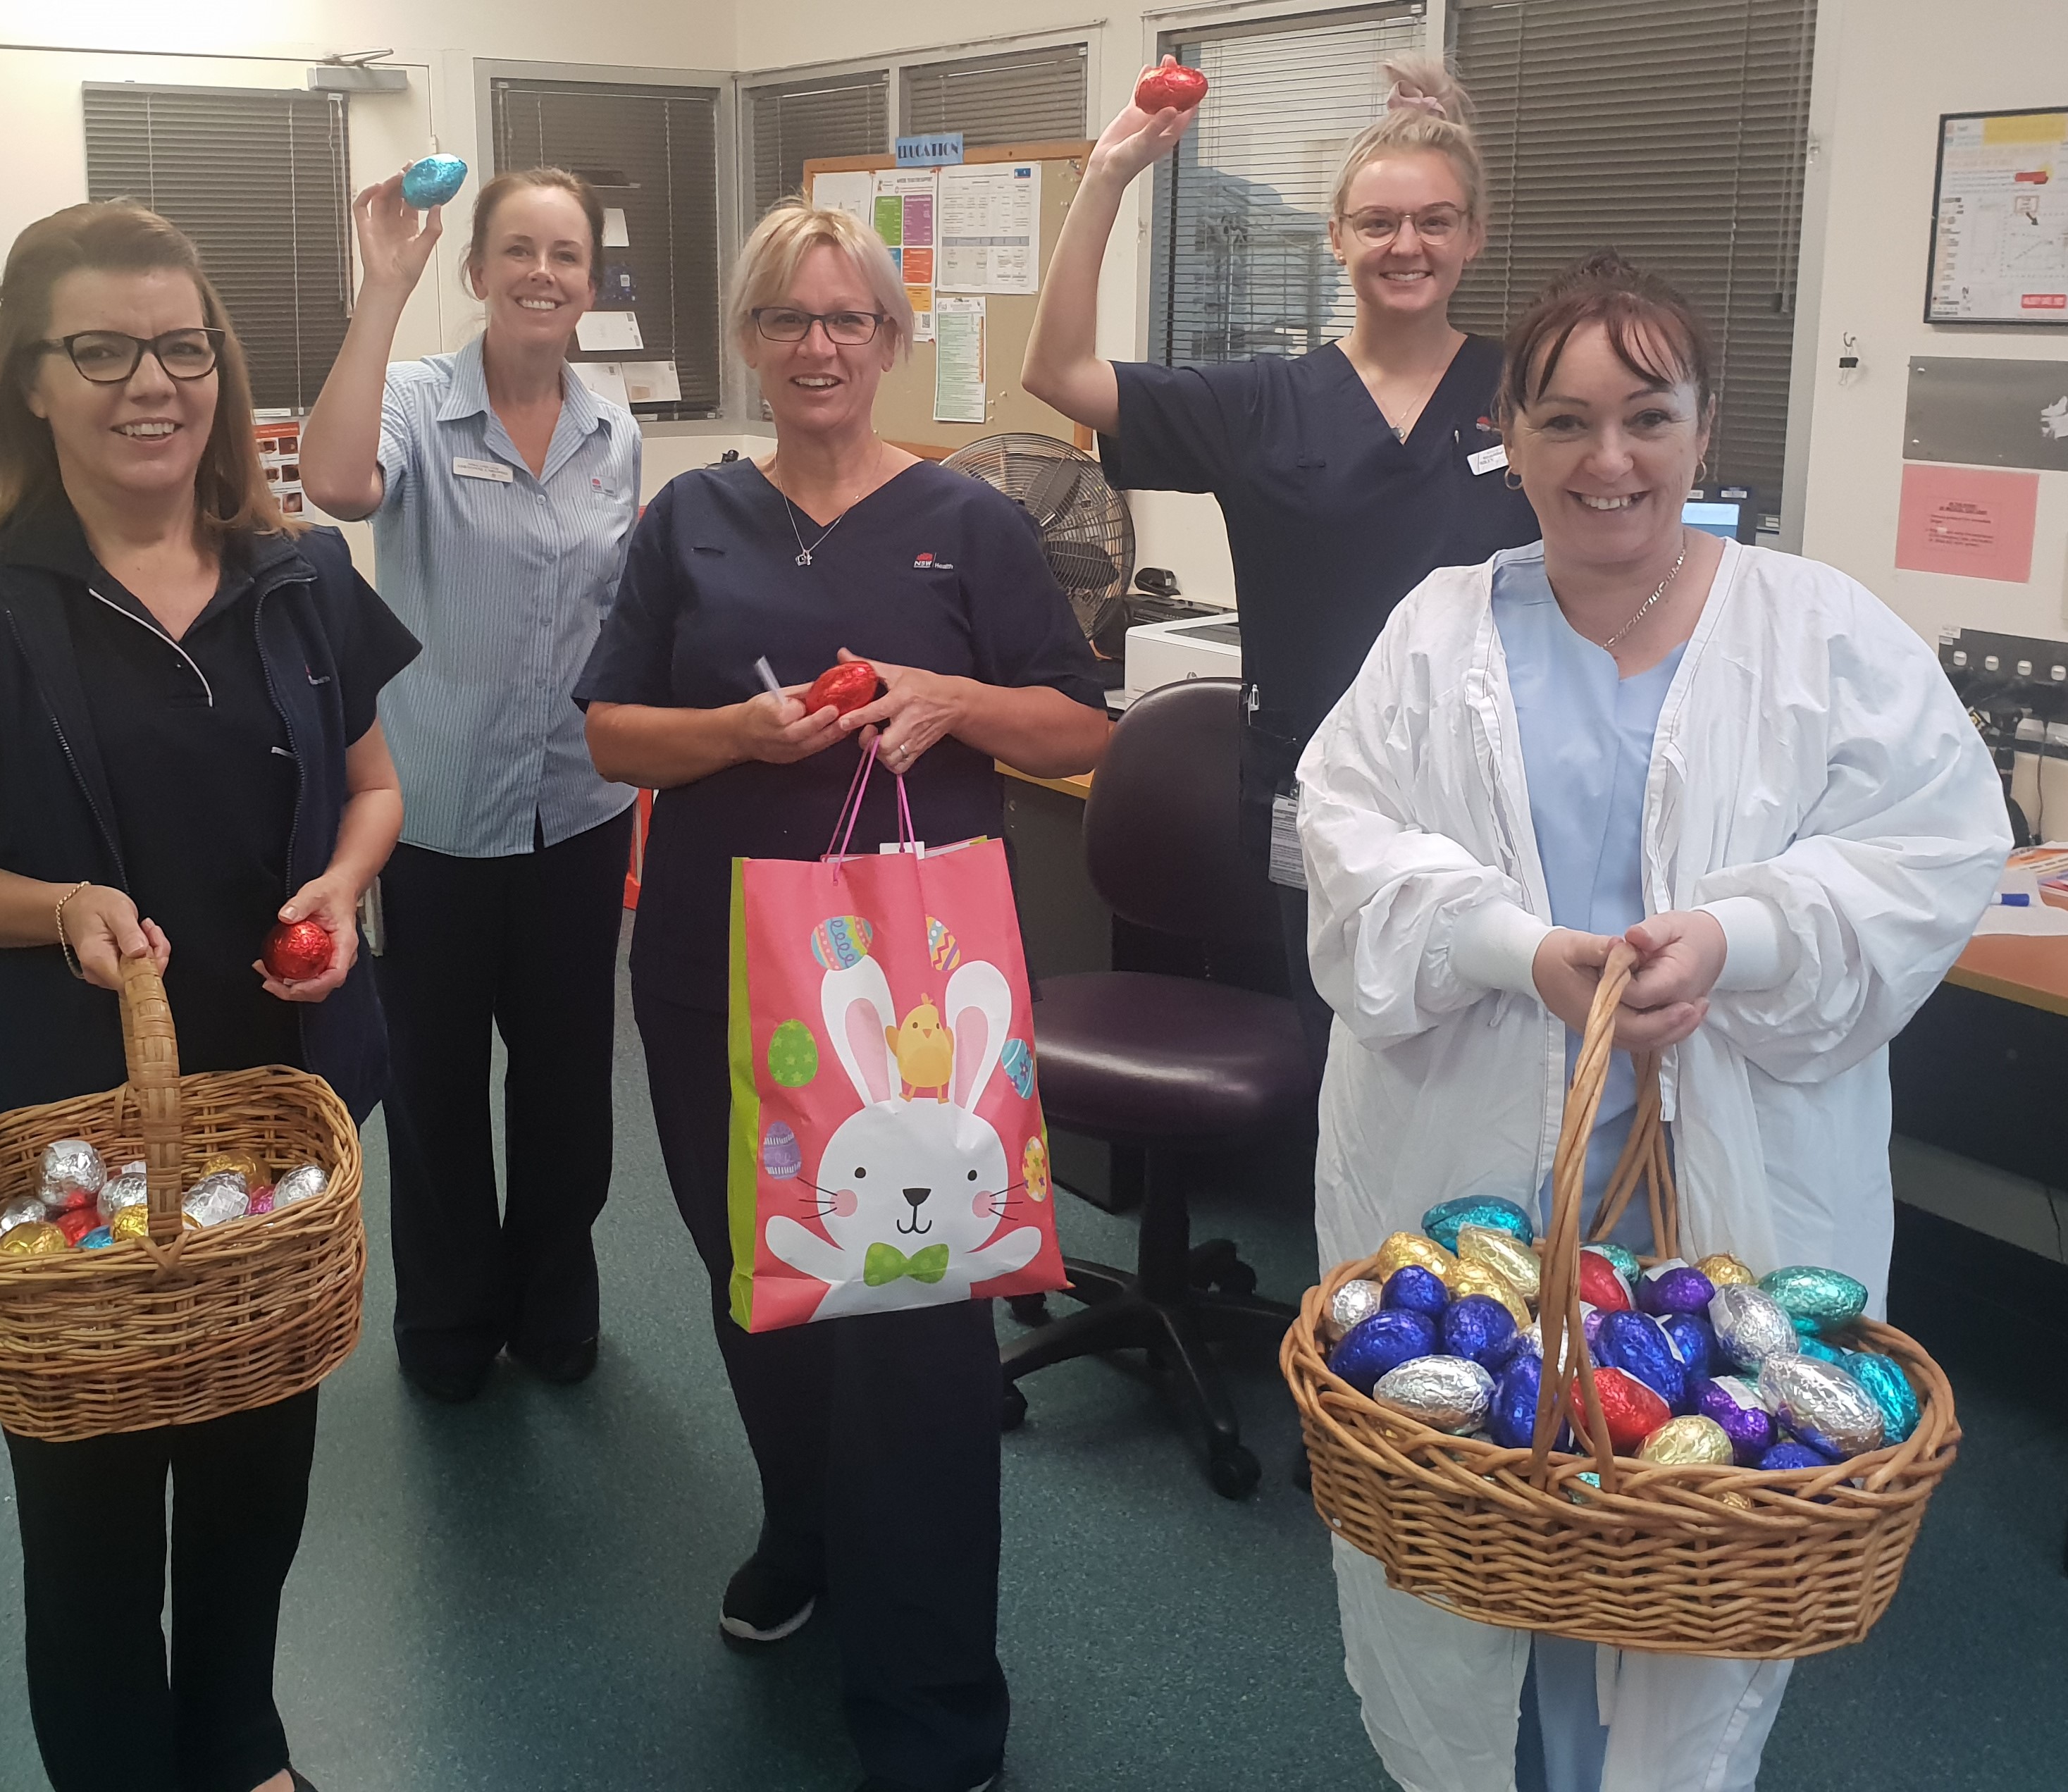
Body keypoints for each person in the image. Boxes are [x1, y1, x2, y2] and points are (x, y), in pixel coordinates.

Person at [1294, 252, 2010, 1792]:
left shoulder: (1820, 634)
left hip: (1734, 1184)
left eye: (1646, 417)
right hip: (1479, 1181)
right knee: (1482, 1538)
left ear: (1704, 428)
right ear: (1509, 434)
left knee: (1690, 1548)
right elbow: (1343, 842)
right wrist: (1515, 947)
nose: (1606, 461)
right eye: (1562, 421)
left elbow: (1940, 841)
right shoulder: (1435, 634)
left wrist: (1740, 936)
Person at [0, 202, 419, 1792]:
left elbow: (378, 790)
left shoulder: (298, 578)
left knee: (258, 1462)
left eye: (182, 347)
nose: (150, 383)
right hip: (64, 1128)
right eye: (99, 350)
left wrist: (346, 882)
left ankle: (243, 1747)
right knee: (92, 1506)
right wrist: (62, 908)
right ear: (32, 381)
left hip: (267, 1103)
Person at [575, 199, 1109, 1792]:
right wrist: (736, 739)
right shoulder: (690, 520)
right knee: (759, 1270)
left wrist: (950, 698)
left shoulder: (968, 520)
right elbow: (609, 732)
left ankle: (935, 1696)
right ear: (749, 341)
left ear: (889, 342)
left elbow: (1079, 728)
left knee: (914, 1330)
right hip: (713, 968)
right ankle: (803, 1529)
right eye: (787, 322)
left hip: (912, 993)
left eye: (848, 321)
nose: (818, 348)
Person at [1021, 52, 1537, 1055]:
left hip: (1491, 794)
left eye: (1436, 219)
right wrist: (1110, 174)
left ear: (1472, 237)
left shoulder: (1527, 393)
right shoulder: (1259, 403)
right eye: (1380, 222)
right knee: (1336, 1058)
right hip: (1316, 795)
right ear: (1337, 237)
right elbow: (1058, 371)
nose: (1407, 244)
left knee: (1489, 1065)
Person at [300, 164, 641, 1402]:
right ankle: (445, 1323)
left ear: (590, 283)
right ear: (479, 268)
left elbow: (619, 617)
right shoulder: (409, 400)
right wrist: (378, 286)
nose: (542, 272)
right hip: (435, 814)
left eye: (566, 253)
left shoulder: (619, 435)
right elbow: (335, 488)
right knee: (436, 1085)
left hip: (581, 813)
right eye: (518, 249)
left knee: (567, 1087)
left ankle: (555, 1296)